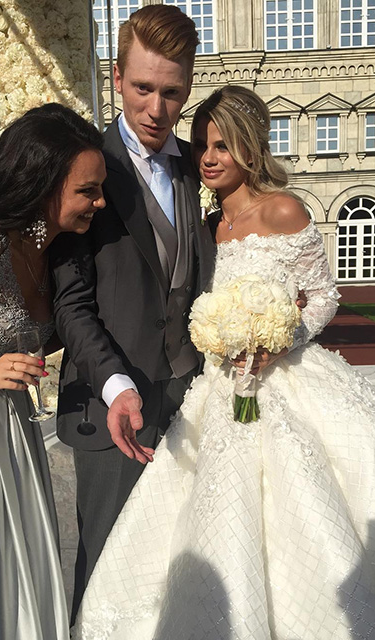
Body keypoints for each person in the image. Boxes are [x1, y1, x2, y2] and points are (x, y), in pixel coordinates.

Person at [71, 86, 375, 640]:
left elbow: (323, 295)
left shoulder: (283, 209)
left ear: (250, 149)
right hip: (218, 388)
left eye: (223, 146)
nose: (208, 158)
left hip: (285, 382)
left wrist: (283, 339)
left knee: (294, 509)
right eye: (201, 146)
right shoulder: (207, 225)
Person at [50, 4, 214, 623]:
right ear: (116, 77)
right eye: (143, 88)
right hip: (110, 406)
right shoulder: (85, 166)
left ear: (188, 89)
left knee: (176, 566)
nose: (155, 109)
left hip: (189, 399)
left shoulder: (196, 165)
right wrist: (116, 383)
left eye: (172, 93)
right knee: (107, 573)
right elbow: (71, 302)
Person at [0, 102, 106, 640]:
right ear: (45, 186)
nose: (100, 202)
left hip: (13, 429)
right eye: (88, 190)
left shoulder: (55, 254)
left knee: (18, 557)